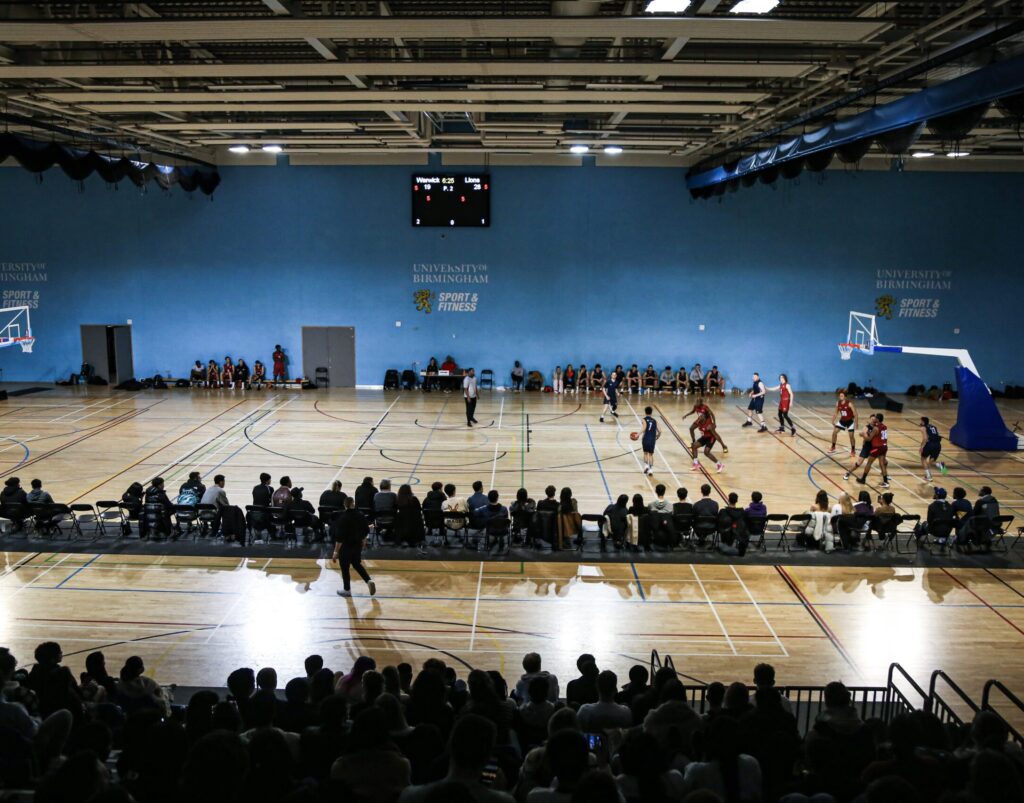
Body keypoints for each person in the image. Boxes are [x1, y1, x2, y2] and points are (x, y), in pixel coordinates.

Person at [332, 498, 376, 597]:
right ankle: (368, 581)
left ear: (345, 505)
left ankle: (347, 589)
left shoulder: (342, 517)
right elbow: (366, 530)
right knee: (357, 564)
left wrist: (335, 552)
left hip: (345, 547)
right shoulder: (360, 515)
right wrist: (364, 540)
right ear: (353, 504)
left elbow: (339, 537)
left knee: (345, 567)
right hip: (357, 545)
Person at [856, 412, 889, 487]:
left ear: (877, 419)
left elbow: (868, 439)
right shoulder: (884, 426)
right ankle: (886, 482)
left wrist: (863, 434)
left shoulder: (875, 428)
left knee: (869, 463)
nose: (874, 419)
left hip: (877, 448)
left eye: (875, 418)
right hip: (884, 446)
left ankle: (863, 479)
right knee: (882, 464)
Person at [844, 413, 878, 481]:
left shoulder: (877, 428)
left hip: (874, 447)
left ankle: (885, 475)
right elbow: (862, 434)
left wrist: (864, 435)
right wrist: (863, 434)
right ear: (870, 419)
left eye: (874, 419)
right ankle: (848, 473)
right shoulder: (866, 427)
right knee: (859, 463)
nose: (873, 420)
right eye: (872, 419)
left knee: (882, 461)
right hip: (866, 447)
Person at [395, 484, 426, 552]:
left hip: (403, 525)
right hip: (415, 525)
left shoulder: (398, 500)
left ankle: (403, 538)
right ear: (410, 491)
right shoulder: (414, 499)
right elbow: (420, 510)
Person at [717, 492, 749, 556]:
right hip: (737, 533)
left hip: (725, 533)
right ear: (736, 501)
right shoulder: (742, 512)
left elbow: (718, 522)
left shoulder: (723, 511)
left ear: (728, 500)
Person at [200, 474, 230, 538]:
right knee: (227, 510)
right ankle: (225, 531)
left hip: (201, 514)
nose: (224, 483)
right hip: (211, 514)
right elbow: (226, 505)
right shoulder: (220, 491)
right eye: (224, 481)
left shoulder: (208, 489)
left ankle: (213, 529)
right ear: (221, 482)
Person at [830, 390, 859, 455]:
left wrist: (856, 423)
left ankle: (853, 450)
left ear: (845, 397)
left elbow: (855, 414)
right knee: (834, 432)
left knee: (851, 436)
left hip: (850, 421)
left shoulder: (849, 403)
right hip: (842, 421)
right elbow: (835, 413)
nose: (840, 397)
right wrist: (832, 420)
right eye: (840, 396)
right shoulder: (838, 403)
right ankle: (833, 446)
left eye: (842, 396)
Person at [919, 416, 947, 482]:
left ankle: (929, 477)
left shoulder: (923, 428)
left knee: (923, 458)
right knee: (931, 461)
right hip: (938, 445)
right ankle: (940, 466)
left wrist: (921, 447)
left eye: (921, 421)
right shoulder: (934, 427)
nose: (920, 422)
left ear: (923, 422)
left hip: (930, 444)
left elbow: (925, 438)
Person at [640, 405, 659, 476]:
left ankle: (646, 466)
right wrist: (658, 436)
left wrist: (638, 434)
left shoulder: (644, 419)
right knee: (651, 455)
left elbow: (644, 428)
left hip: (646, 438)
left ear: (645, 412)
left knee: (645, 453)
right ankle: (651, 470)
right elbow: (660, 431)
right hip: (652, 439)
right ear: (651, 413)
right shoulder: (655, 421)